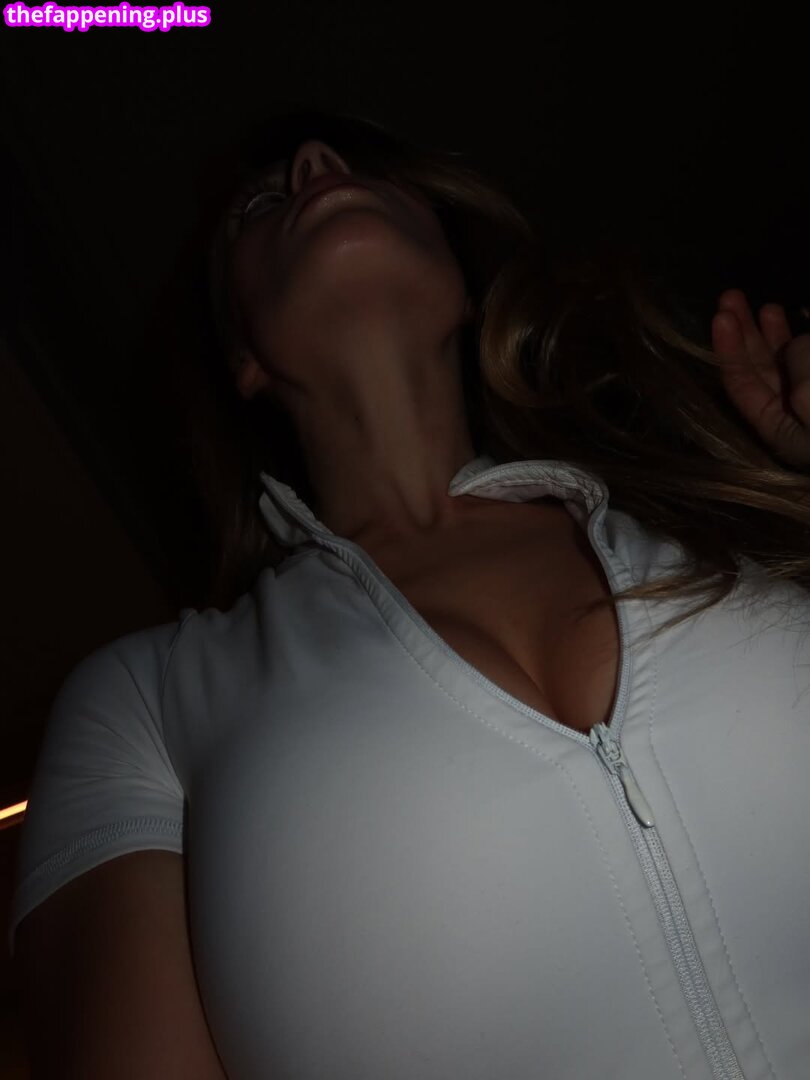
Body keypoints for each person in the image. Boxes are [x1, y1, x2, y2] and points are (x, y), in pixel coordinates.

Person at [9, 107, 810, 1080]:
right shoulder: (146, 702)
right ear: (244, 359)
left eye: (362, 171)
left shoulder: (723, 516)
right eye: (261, 205)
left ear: (463, 286)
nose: (315, 164)